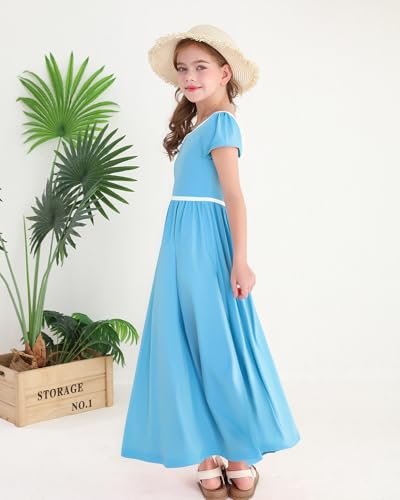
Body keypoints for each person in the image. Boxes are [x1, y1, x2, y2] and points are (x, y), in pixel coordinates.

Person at [120, 24, 301, 499]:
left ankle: (237, 454)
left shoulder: (222, 123)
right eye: (183, 69)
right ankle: (206, 452)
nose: (190, 76)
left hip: (205, 241)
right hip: (179, 242)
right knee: (185, 342)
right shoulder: (197, 126)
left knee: (217, 343)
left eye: (201, 67)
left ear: (224, 73)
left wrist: (241, 261)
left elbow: (234, 196)